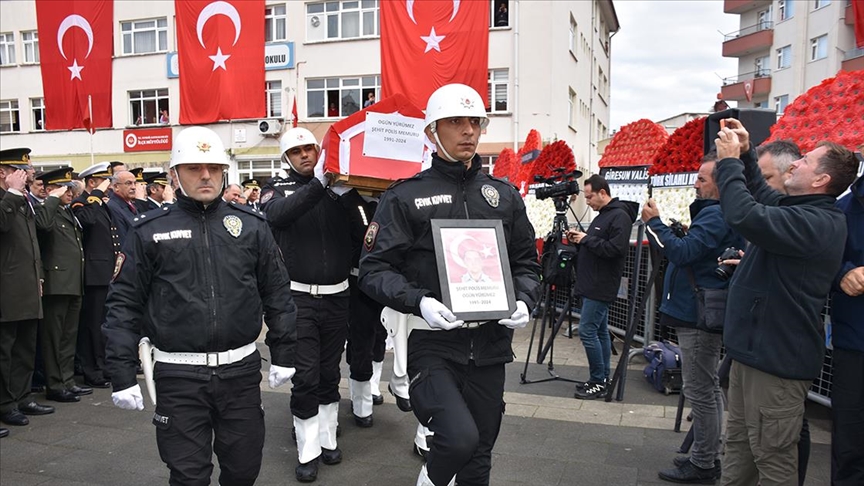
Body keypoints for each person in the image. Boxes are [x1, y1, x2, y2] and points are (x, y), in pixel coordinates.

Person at [359, 83, 541, 486]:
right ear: (431, 132)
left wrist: (526, 299)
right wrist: (419, 301)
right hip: (431, 343)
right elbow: (373, 270)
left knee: (480, 453)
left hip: (491, 346)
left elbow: (527, 264)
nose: (468, 131)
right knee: (458, 439)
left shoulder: (503, 195)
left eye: (474, 122)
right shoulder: (406, 197)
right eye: (455, 122)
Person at [102, 126, 298, 486]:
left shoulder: (252, 227)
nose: (205, 175)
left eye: (214, 167)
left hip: (240, 372)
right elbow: (123, 305)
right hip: (179, 376)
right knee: (188, 475)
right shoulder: (148, 231)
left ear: (225, 172)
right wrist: (121, 373)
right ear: (175, 174)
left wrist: (284, 351)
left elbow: (277, 292)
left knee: (243, 471)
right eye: (194, 168)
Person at [713, 119, 858, 486]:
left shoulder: (818, 222)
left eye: (805, 160)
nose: (795, 163)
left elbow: (744, 213)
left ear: (821, 180)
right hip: (754, 354)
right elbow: (762, 194)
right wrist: (746, 154)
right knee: (739, 450)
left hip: (775, 362)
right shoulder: (804, 211)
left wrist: (728, 162)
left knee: (773, 460)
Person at [260, 127, 366, 482]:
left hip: (338, 295)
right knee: (304, 377)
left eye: (310, 149)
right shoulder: (277, 187)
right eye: (298, 151)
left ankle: (327, 435)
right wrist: (319, 185)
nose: (306, 155)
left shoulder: (341, 190)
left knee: (329, 372)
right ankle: (308, 449)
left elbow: (361, 234)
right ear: (287, 158)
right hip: (298, 298)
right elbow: (276, 215)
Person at [643, 153, 743, 484]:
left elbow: (683, 253)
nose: (695, 184)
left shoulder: (716, 216)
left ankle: (703, 463)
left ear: (721, 183)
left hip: (698, 315)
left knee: (700, 389)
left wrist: (654, 223)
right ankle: (706, 454)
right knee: (706, 387)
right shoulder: (716, 215)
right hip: (698, 311)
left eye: (702, 178)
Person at [566, 175, 638, 400]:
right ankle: (601, 378)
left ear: (603, 193)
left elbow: (615, 249)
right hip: (592, 283)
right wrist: (580, 240)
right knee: (598, 331)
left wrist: (586, 240)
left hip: (601, 285)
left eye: (589, 197)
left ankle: (599, 381)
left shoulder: (619, 216)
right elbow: (598, 245)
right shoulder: (604, 216)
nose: (587, 201)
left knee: (588, 331)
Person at [0, 148, 56, 435]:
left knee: (25, 347)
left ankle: (22, 398)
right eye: (21, 171)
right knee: (5, 350)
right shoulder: (8, 198)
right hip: (6, 287)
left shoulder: (22, 200)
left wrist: (40, 276)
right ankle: (5, 403)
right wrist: (10, 194)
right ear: (3, 173)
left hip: (27, 283)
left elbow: (33, 242)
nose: (27, 176)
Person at [33, 168, 91, 404]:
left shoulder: (66, 211)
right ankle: (55, 384)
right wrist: (53, 198)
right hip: (57, 282)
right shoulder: (45, 210)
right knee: (53, 338)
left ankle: (67, 380)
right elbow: (43, 227)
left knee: (68, 336)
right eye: (63, 188)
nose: (70, 192)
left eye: (69, 187)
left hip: (73, 282)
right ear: (50, 189)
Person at [71, 162, 121, 388]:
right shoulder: (82, 202)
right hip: (93, 274)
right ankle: (92, 370)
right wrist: (96, 195)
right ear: (92, 182)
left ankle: (104, 366)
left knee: (103, 324)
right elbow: (86, 222)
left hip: (106, 272)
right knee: (92, 325)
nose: (109, 187)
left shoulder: (100, 204)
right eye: (104, 182)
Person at [830, 169, 864, 486]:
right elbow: (820, 258)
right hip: (854, 343)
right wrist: (843, 273)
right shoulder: (843, 207)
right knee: (850, 442)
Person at [106, 170, 139, 247]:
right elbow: (122, 239)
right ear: (116, 186)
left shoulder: (129, 204)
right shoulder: (113, 207)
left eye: (135, 183)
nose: (133, 187)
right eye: (128, 183)